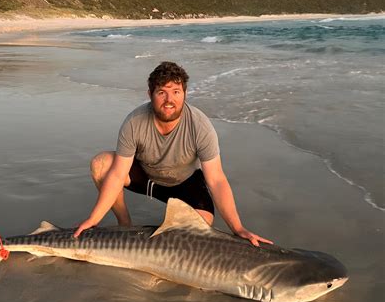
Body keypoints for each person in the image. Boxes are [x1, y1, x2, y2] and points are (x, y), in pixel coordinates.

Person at [74, 61, 273, 247]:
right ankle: (125, 226)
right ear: (150, 94)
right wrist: (94, 219)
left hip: (185, 183)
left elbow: (217, 180)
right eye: (162, 92)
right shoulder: (134, 122)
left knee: (198, 231)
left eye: (176, 92)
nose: (170, 100)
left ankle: (167, 234)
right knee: (101, 163)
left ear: (185, 94)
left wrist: (238, 228)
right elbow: (117, 175)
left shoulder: (200, 125)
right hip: (149, 178)